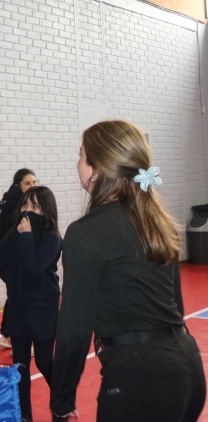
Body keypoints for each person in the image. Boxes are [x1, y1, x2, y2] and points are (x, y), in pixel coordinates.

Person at [50, 120, 206, 422]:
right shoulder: (157, 222)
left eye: (81, 155)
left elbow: (74, 327)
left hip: (139, 380)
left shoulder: (85, 232)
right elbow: (176, 307)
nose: (77, 162)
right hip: (186, 365)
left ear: (96, 168)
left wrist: (62, 399)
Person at [0, 186, 61, 422]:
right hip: (18, 307)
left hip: (43, 309)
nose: (28, 210)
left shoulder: (52, 239)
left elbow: (34, 266)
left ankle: (62, 399)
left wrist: (26, 237)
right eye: (25, 205)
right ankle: (25, 415)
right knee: (20, 366)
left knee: (45, 361)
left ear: (47, 211)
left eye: (35, 206)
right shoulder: (14, 234)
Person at [0, 168, 37, 350]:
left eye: (34, 182)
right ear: (18, 185)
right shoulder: (16, 205)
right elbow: (16, 236)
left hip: (9, 256)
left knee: (16, 293)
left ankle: (6, 334)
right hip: (7, 257)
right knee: (21, 293)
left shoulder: (19, 201)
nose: (32, 186)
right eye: (28, 183)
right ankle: (16, 336)